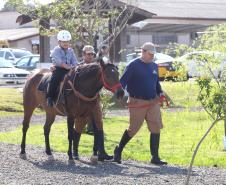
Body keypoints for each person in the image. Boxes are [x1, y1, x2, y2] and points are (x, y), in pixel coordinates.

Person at [113, 42, 167, 165]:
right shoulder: (133, 65)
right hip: (137, 102)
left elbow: (156, 83)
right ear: (142, 52)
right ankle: (118, 150)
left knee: (156, 127)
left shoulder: (154, 66)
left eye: (153, 54)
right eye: (150, 54)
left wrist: (161, 93)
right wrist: (120, 95)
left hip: (153, 102)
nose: (152, 56)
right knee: (133, 129)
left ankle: (155, 157)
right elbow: (122, 82)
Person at [46, 30, 78, 107]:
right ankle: (50, 97)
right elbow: (59, 61)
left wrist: (74, 67)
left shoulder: (71, 51)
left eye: (67, 41)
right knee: (54, 79)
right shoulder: (56, 50)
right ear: (59, 42)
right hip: (59, 69)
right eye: (63, 42)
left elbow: (74, 61)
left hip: (70, 69)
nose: (66, 43)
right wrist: (68, 67)